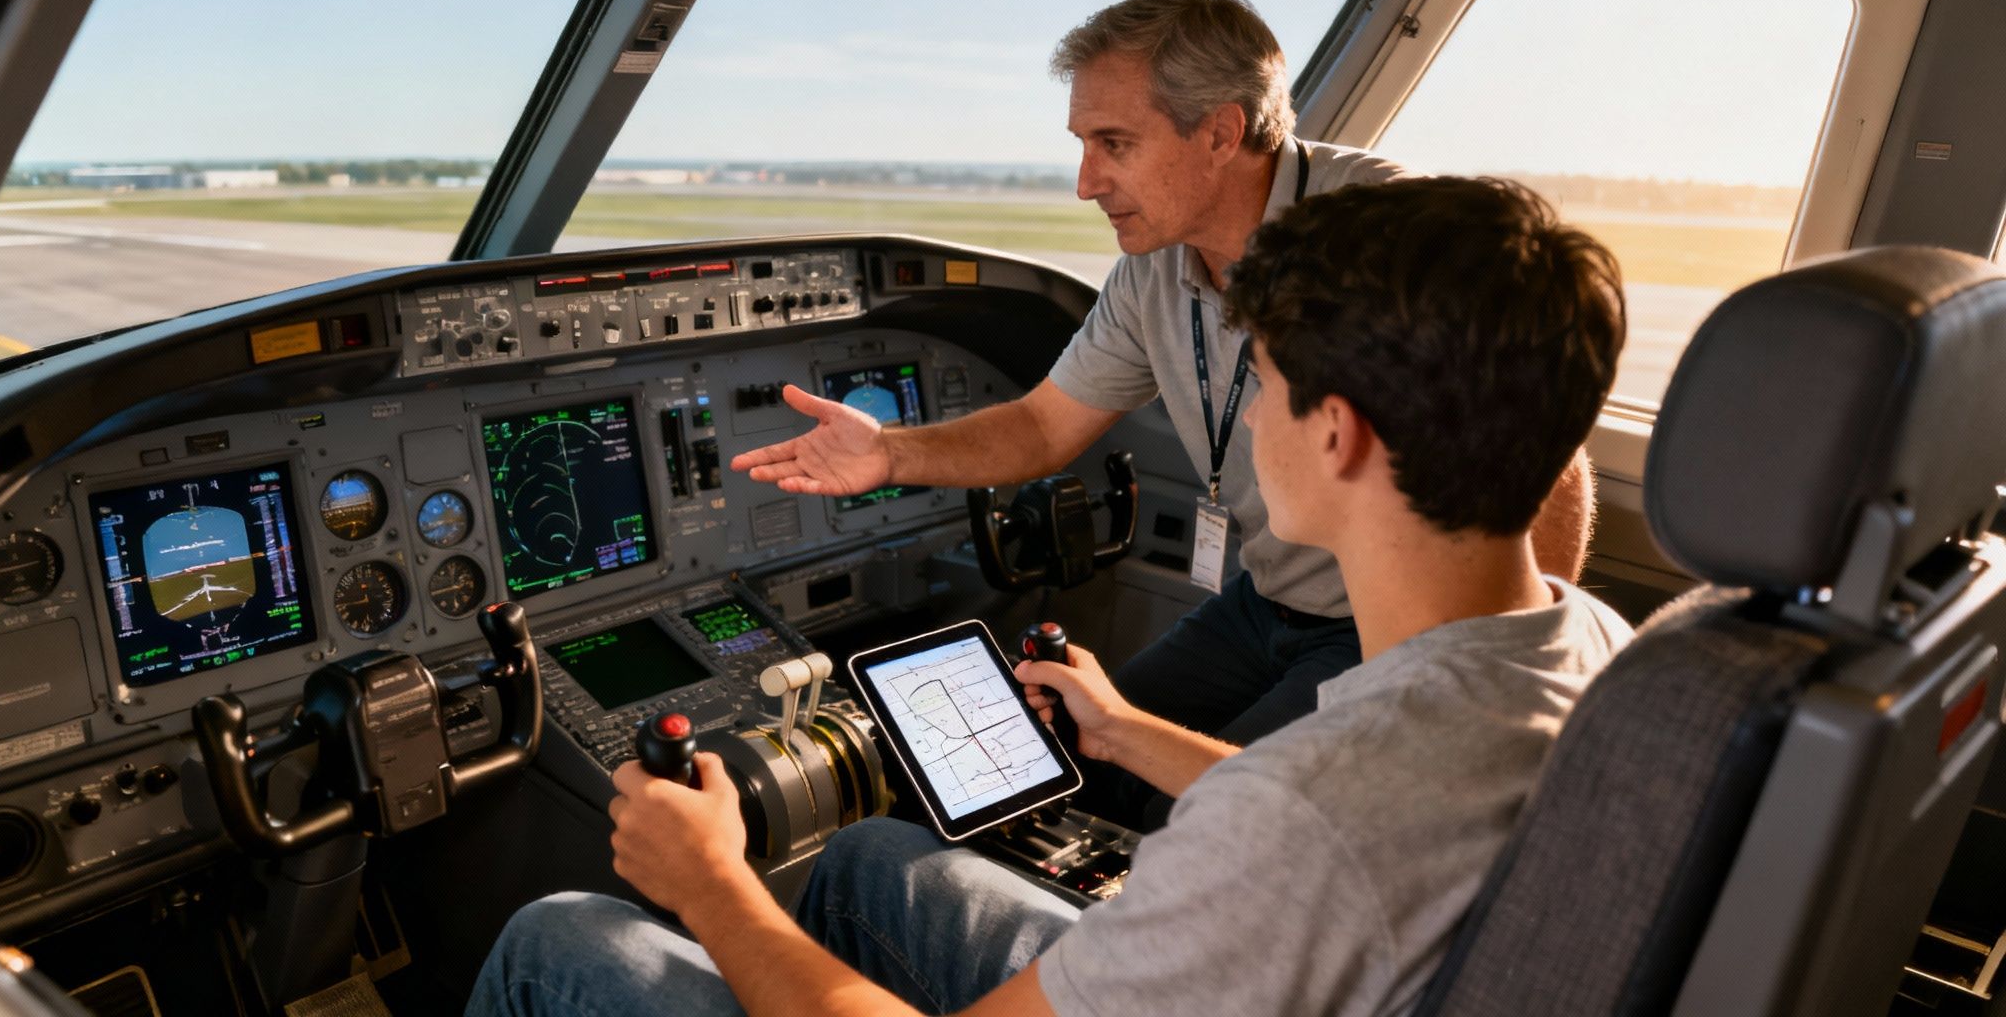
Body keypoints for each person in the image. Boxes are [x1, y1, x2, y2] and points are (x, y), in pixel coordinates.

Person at [470, 175, 1635, 1017]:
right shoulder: (1579, 642)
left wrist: (716, 886)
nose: (1246, 421)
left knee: (560, 940)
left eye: (1264, 384)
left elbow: (1306, 834)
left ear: (1335, 436)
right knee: (872, 855)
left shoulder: (1294, 831)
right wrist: (1131, 735)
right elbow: (1354, 829)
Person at [728, 0, 1595, 816]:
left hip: (1394, 623)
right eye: (1082, 143)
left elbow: (1541, 453)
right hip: (1266, 600)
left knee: (1201, 826)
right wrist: (891, 453)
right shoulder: (1155, 265)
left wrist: (1482, 661)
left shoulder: (1384, 234)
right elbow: (1042, 424)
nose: (1085, 181)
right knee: (1059, 763)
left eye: (1114, 142)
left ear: (1220, 132)